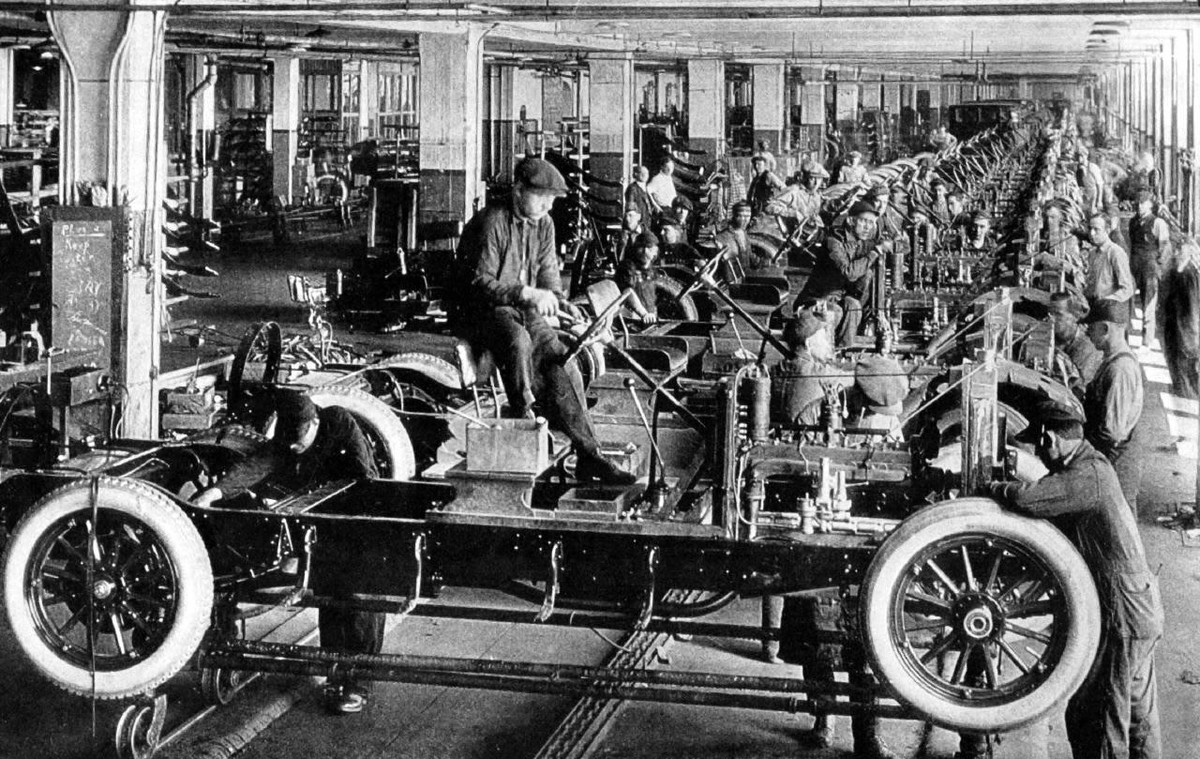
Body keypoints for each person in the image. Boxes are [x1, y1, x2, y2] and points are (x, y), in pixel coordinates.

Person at [987, 404, 1162, 759]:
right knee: (1137, 716)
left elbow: (1028, 499)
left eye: (1039, 447)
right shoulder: (1094, 465)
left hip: (1122, 612)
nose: (1039, 456)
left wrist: (992, 487)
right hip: (1140, 606)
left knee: (1098, 715)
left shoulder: (1087, 476)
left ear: (1049, 439)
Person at [193, 392, 382, 715]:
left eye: (299, 441)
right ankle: (336, 675)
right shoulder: (289, 435)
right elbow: (259, 463)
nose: (293, 447)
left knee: (358, 600)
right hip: (320, 527)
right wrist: (215, 492)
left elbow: (364, 479)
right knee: (329, 599)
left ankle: (359, 684)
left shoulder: (340, 422)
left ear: (315, 422)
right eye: (288, 442)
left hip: (359, 520)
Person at [458, 157, 636, 485]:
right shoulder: (492, 222)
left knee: (562, 361)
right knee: (518, 341)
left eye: (552, 199)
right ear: (518, 190)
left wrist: (560, 303)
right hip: (482, 310)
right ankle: (524, 421)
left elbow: (548, 273)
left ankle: (590, 455)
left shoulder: (544, 224)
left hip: (524, 309)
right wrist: (526, 293)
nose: (548, 205)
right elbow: (480, 283)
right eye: (541, 197)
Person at [1083, 299, 1145, 513]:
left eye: (1091, 327)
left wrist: (1080, 449)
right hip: (1114, 456)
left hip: (1117, 461)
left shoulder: (1120, 369)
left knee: (1118, 520)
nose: (1087, 333)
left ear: (1105, 328)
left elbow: (1112, 432)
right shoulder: (1113, 360)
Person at [812, 200, 891, 347]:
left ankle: (843, 351)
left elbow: (899, 246)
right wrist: (875, 252)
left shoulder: (858, 242)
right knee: (835, 311)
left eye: (871, 223)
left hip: (836, 298)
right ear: (850, 221)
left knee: (853, 305)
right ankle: (824, 352)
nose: (868, 227)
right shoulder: (833, 242)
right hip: (817, 299)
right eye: (863, 221)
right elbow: (848, 272)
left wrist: (891, 244)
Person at [1127, 190, 1171, 347]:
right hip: (1134, 266)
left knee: (1149, 302)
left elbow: (1165, 249)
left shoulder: (1158, 223)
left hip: (1150, 268)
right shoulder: (1133, 222)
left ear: (1150, 205)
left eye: (1143, 203)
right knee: (1127, 298)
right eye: (1138, 203)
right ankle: (1125, 337)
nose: (1139, 206)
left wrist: (1159, 269)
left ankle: (1147, 340)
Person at [1048, 291, 1103, 395]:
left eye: (1058, 314)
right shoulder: (1052, 338)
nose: (1051, 319)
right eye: (1050, 314)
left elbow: (1078, 391)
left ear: (1075, 316)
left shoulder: (1088, 349)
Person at [1083, 212, 1135, 312]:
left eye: (1096, 229)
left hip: (1109, 309)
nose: (1091, 233)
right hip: (1093, 307)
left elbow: (1127, 289)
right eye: (1090, 229)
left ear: (1107, 231)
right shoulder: (1092, 253)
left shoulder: (1115, 252)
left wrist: (1108, 301)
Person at [765, 161, 827, 235]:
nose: (816, 183)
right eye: (812, 178)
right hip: (799, 235)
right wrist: (793, 213)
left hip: (814, 232)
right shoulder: (794, 191)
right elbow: (769, 207)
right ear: (805, 178)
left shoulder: (816, 195)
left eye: (819, 179)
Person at [615, 230, 661, 325]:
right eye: (641, 247)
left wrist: (652, 314)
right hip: (631, 319)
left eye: (649, 248)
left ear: (655, 252)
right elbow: (628, 292)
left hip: (649, 318)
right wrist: (644, 314)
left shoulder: (652, 270)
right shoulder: (627, 267)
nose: (645, 251)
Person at [715, 200, 768, 278]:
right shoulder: (724, 237)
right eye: (742, 216)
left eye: (748, 216)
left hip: (744, 276)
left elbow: (749, 255)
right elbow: (726, 268)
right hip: (734, 280)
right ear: (734, 216)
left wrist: (765, 262)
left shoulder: (743, 233)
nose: (745, 220)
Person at [747, 152, 786, 217]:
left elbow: (783, 187)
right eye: (755, 164)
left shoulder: (769, 175)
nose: (757, 166)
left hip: (767, 206)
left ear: (764, 165)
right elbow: (750, 194)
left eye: (759, 164)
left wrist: (776, 200)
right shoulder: (755, 179)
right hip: (757, 207)